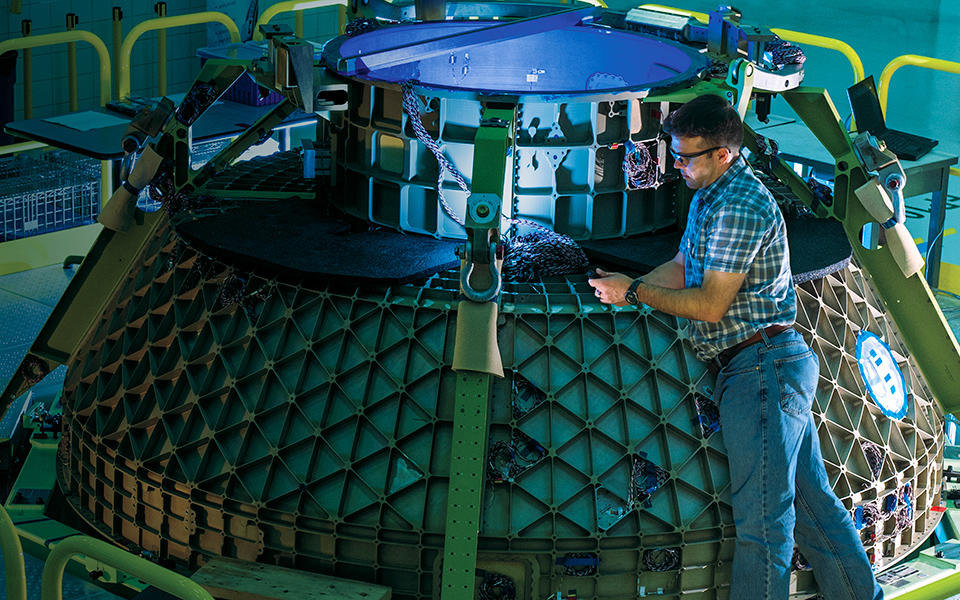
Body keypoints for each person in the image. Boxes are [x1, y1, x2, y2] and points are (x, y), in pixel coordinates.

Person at [588, 94, 883, 600]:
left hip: (762, 369)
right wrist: (617, 291)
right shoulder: (709, 194)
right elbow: (683, 267)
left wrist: (634, 292)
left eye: (686, 156)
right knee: (814, 509)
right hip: (765, 367)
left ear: (722, 154)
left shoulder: (742, 205)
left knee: (763, 525)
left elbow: (708, 305)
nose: (676, 165)